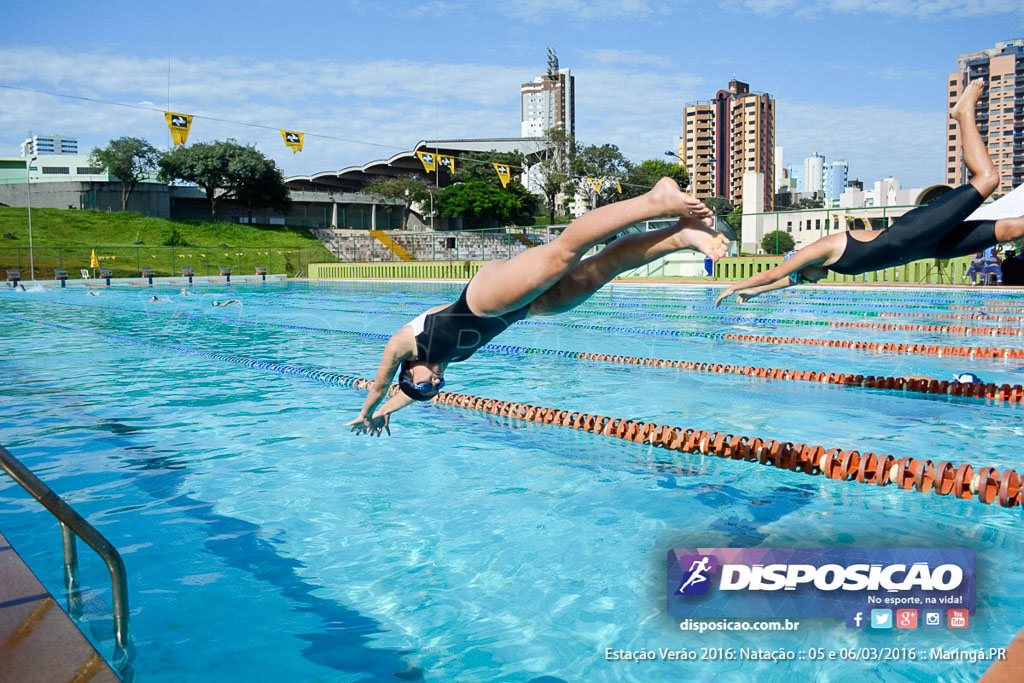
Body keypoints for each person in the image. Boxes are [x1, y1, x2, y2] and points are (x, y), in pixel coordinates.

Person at [347, 178, 727, 435]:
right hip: (522, 311)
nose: (437, 385)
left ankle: (653, 201)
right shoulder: (434, 366)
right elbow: (407, 393)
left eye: (426, 387)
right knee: (603, 269)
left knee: (563, 254)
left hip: (484, 299)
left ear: (408, 374)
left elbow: (382, 384)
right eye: (435, 389)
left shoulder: (405, 344)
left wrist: (367, 413)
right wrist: (387, 415)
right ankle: (679, 234)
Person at [715, 79, 1024, 306]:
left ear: (802, 264)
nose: (813, 281)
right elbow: (784, 281)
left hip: (913, 234)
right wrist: (752, 293)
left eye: (805, 276)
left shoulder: (820, 250)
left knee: (987, 179)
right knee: (1012, 228)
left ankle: (963, 113)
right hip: (929, 247)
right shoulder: (821, 266)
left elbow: (776, 274)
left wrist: (736, 286)